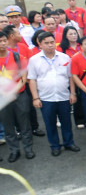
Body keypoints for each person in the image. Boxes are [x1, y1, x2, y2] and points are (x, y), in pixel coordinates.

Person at [27, 32, 79, 157]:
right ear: (40, 44)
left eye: (52, 42)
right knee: (50, 124)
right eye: (46, 43)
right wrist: (35, 98)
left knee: (66, 122)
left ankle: (69, 143)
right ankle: (55, 146)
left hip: (63, 96)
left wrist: (73, 93)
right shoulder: (34, 60)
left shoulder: (64, 57)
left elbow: (70, 77)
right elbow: (32, 79)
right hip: (46, 98)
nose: (50, 45)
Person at [0, 30, 33, 161]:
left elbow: (23, 79)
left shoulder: (17, 57)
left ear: (8, 41)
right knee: (8, 125)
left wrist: (12, 92)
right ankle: (14, 150)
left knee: (24, 123)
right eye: (0, 41)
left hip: (19, 95)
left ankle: (28, 148)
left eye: (4, 41)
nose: (2, 44)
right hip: (3, 97)